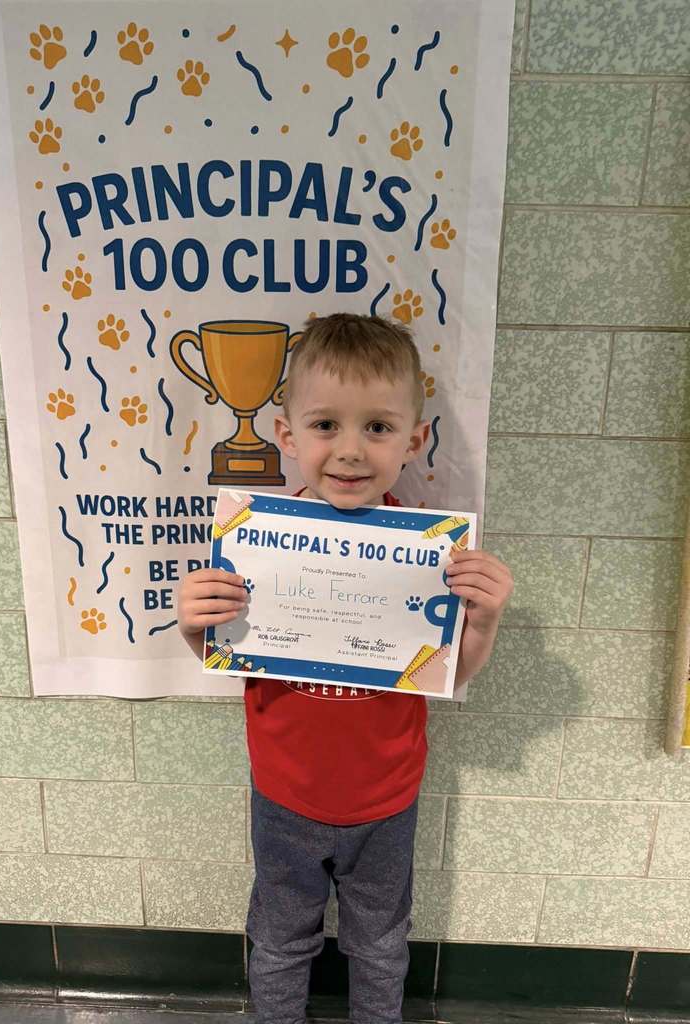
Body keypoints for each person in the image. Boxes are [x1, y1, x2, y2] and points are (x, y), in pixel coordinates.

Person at [177, 313, 514, 1024]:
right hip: (283, 794)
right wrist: (194, 625)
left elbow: (449, 677)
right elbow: (229, 654)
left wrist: (482, 622)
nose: (351, 450)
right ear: (287, 435)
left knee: (382, 946)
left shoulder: (433, 558)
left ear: (414, 441)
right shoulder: (256, 545)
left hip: (386, 800)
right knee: (278, 940)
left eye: (378, 427)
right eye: (326, 425)